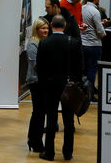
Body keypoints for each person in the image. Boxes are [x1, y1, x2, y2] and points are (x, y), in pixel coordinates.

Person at [36, 15, 83, 161]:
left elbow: (40, 67)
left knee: (51, 119)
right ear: (65, 26)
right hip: (69, 86)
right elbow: (80, 66)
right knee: (69, 121)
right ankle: (67, 153)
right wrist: (76, 82)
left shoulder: (44, 43)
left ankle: (49, 152)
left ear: (50, 25)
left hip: (50, 86)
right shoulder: (74, 42)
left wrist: (44, 83)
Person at [26, 17, 49, 153]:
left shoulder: (44, 42)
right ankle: (36, 142)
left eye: (47, 28)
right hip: (36, 82)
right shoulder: (33, 44)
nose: (46, 30)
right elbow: (36, 65)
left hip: (42, 82)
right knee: (39, 113)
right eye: (43, 28)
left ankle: (33, 140)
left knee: (39, 113)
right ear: (37, 29)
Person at [80, 0, 105, 101]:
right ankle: (89, 94)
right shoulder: (95, 11)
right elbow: (100, 32)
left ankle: (86, 90)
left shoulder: (82, 8)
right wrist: (103, 32)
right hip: (94, 45)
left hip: (83, 44)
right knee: (92, 70)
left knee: (84, 69)